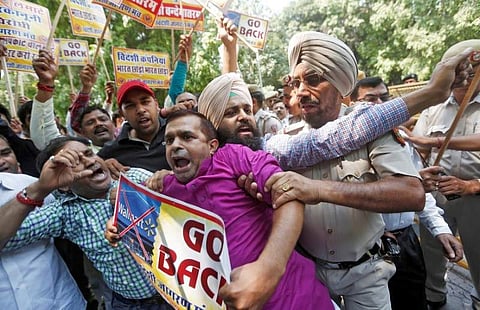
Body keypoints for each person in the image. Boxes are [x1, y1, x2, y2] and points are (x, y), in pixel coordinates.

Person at [108, 110, 335, 310]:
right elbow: (147, 228)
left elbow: (290, 192)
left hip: (295, 298)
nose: (176, 145)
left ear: (212, 146)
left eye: (187, 137)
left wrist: (269, 270)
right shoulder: (166, 187)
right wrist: (121, 227)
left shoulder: (234, 157)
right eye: (169, 140)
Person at [0, 136, 173, 309]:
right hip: (130, 305)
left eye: (89, 154)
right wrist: (39, 189)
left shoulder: (133, 178)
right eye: (75, 163)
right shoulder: (65, 213)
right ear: (63, 185)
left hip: (179, 295)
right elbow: (8, 237)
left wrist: (149, 193)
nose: (89, 162)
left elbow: (183, 210)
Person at [351, 76, 463, 310]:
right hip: (365, 246)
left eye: (385, 97)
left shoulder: (401, 140)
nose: (380, 104)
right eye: (371, 99)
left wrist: (440, 230)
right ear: (353, 104)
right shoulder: (343, 147)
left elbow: (419, 193)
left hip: (405, 243)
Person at [411, 39, 480, 309]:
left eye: (472, 71)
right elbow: (417, 147)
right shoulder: (433, 108)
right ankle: (436, 298)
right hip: (438, 197)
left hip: (475, 199)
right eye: (460, 71)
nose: (465, 78)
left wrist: (470, 186)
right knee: (433, 252)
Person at [0, 138, 86, 309]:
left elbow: (80, 204)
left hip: (64, 302)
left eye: (6, 153)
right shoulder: (36, 189)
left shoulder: (32, 184)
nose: (1, 161)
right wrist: (33, 194)